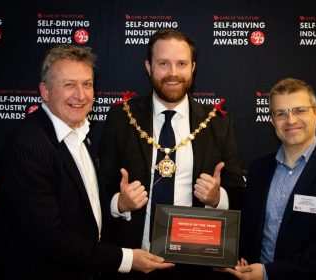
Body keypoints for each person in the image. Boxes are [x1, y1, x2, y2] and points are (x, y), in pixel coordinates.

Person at [0, 44, 173, 280]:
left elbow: (85, 214)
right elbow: (49, 238)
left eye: (87, 84)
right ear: (45, 91)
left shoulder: (81, 135)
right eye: (69, 84)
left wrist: (119, 205)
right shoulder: (28, 144)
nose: (81, 95)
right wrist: (127, 259)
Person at [97, 29, 244, 278]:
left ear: (193, 67)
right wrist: (119, 204)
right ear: (148, 66)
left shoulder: (217, 123)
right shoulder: (121, 118)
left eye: (181, 64)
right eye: (163, 63)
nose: (173, 73)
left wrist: (217, 198)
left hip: (196, 265)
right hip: (134, 262)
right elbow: (97, 188)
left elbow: (238, 192)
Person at [226, 78, 316, 280]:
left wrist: (268, 273)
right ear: (272, 121)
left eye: (300, 110)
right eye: (281, 113)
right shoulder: (259, 169)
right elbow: (249, 229)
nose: (290, 120)